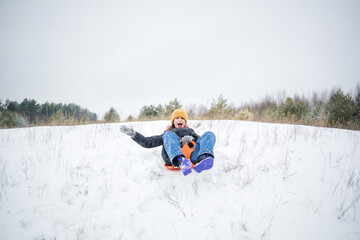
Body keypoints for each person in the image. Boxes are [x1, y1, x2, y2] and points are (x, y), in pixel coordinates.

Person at [120, 108, 216, 176]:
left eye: (182, 118)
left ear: (185, 122)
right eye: (177, 118)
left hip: (192, 158)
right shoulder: (168, 134)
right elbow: (147, 142)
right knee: (168, 135)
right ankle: (180, 160)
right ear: (173, 121)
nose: (180, 120)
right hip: (173, 159)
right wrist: (134, 134)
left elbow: (202, 143)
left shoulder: (191, 132)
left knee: (209, 134)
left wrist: (193, 139)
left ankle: (203, 158)